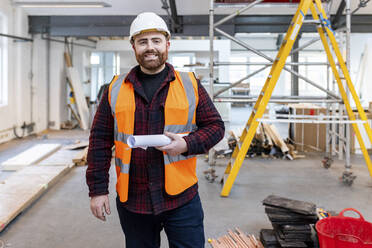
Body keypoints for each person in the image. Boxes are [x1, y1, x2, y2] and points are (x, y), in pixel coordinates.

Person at [86, 12, 225, 248]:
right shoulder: (115, 88)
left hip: (182, 198)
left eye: (156, 41)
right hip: (134, 200)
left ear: (167, 44)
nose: (150, 47)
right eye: (143, 42)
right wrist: (97, 191)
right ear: (134, 47)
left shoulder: (189, 84)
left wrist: (187, 144)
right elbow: (99, 141)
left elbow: (215, 127)